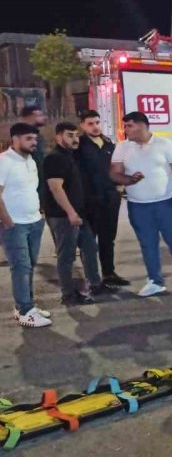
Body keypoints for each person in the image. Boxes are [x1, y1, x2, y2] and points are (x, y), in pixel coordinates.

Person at [110, 112, 172, 298]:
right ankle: (155, 281)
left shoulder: (165, 145)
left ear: (143, 126)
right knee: (147, 244)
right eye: (126, 126)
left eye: (130, 125)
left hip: (165, 204)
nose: (126, 130)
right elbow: (114, 174)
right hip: (138, 206)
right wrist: (129, 179)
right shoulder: (122, 147)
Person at [43, 122, 106, 304]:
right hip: (63, 217)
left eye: (76, 135)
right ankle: (68, 294)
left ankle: (95, 283)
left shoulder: (69, 156)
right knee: (67, 257)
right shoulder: (55, 158)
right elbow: (56, 188)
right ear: (58, 137)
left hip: (78, 215)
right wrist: (70, 213)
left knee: (89, 248)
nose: (75, 139)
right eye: (70, 135)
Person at [0, 123, 49, 327]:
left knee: (29, 266)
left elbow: (31, 189)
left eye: (35, 139)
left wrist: (39, 214)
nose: (34, 143)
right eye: (29, 139)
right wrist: (7, 221)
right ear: (16, 139)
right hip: (15, 225)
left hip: (34, 222)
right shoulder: (4, 161)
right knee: (21, 267)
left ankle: (27, 304)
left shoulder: (30, 160)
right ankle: (24, 310)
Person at [78, 110, 128, 286]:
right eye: (90, 123)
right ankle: (92, 278)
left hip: (109, 198)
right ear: (83, 125)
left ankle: (109, 273)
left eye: (97, 122)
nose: (95, 126)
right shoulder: (79, 146)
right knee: (89, 243)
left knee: (108, 238)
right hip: (89, 201)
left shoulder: (108, 144)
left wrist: (119, 189)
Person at [19, 105, 47, 174]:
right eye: (39, 115)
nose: (44, 118)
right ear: (29, 117)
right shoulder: (21, 137)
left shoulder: (37, 135)